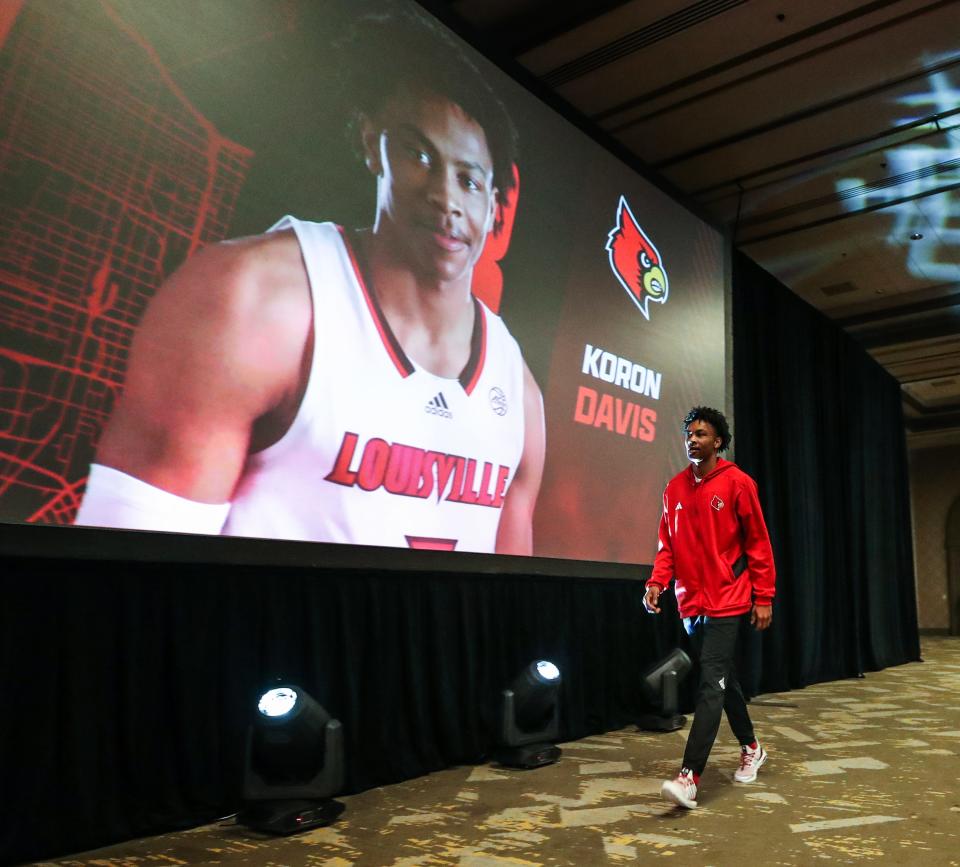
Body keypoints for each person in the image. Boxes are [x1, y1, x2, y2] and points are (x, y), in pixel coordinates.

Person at [74, 9, 545, 555]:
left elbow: (511, 600)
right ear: (374, 145)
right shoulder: (255, 299)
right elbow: (125, 575)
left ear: (494, 204)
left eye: (468, 179)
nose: (446, 198)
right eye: (418, 155)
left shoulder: (517, 390)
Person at [643, 406, 775, 808]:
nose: (693, 439)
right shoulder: (673, 489)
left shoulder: (738, 484)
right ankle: (752, 746)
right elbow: (668, 547)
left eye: (701, 434)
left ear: (718, 442)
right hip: (691, 603)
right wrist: (656, 583)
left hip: (729, 598)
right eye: (689, 434)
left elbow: (758, 543)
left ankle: (689, 777)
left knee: (709, 684)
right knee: (722, 679)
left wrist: (763, 596)